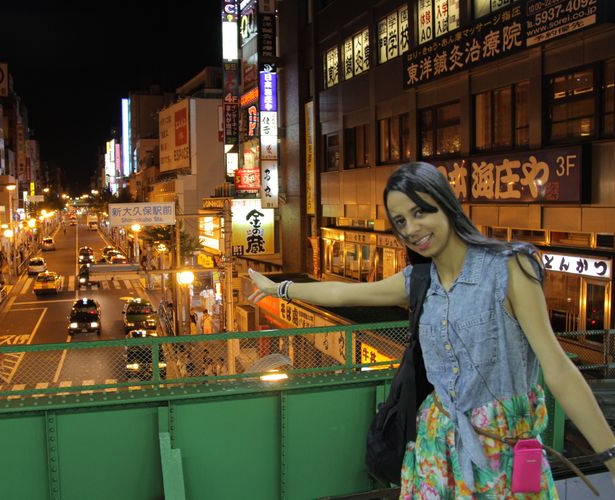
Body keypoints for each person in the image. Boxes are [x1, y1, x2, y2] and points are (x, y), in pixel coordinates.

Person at [248, 162, 615, 496]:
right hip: (434, 453)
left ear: (446, 204)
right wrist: (279, 288)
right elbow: (343, 293)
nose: (412, 228)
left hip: (502, 460)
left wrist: (611, 456)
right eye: (401, 221)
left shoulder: (509, 268)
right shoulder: (421, 280)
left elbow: (558, 370)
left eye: (420, 211)